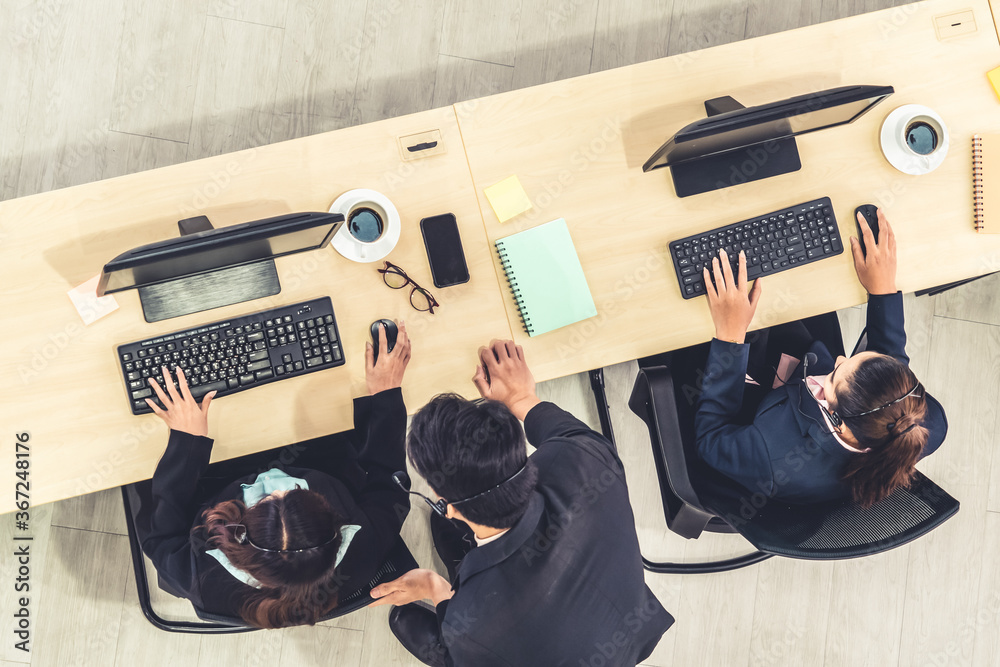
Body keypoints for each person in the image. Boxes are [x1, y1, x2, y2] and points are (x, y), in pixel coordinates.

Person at [369, 340, 674, 667]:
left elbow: (471, 641)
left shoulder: (474, 626)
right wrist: (520, 396)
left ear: (449, 507)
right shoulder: (585, 459)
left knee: (457, 644)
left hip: (513, 650)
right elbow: (560, 427)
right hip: (621, 628)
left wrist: (433, 585)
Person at [137, 322, 412, 628]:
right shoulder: (363, 550)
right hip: (314, 453)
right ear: (339, 529)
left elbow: (161, 538)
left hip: (215, 476)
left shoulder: (201, 578)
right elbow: (390, 482)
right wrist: (385, 397)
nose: (276, 481)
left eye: (266, 500)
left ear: (240, 539)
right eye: (295, 492)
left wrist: (187, 445)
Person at [683, 208, 947, 506]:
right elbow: (892, 364)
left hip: (757, 413)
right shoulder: (926, 423)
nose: (838, 360)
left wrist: (730, 337)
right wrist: (883, 290)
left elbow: (710, 440)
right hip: (796, 379)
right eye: (855, 359)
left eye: (836, 376)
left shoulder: (773, 455)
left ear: (838, 422)